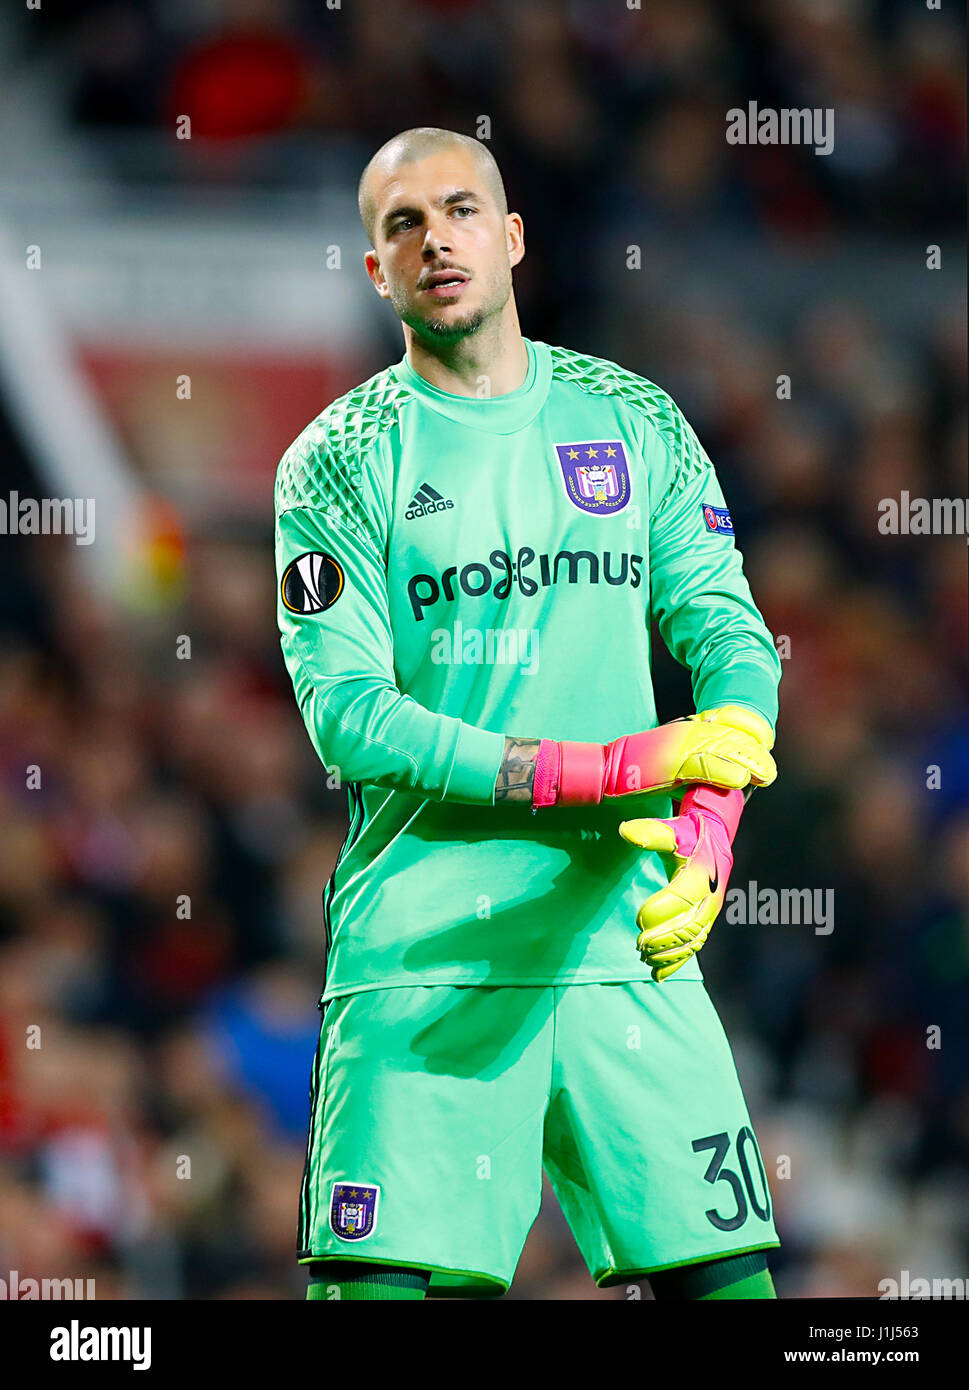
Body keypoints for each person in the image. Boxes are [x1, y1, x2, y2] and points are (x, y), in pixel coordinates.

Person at [274, 127, 782, 1301]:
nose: (434, 238)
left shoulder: (633, 416)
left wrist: (710, 819)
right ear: (376, 273)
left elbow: (729, 631)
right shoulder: (340, 460)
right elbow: (350, 716)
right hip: (426, 955)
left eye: (459, 211)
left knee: (735, 1287)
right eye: (402, 224)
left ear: (508, 240)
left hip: (623, 947)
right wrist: (603, 768)